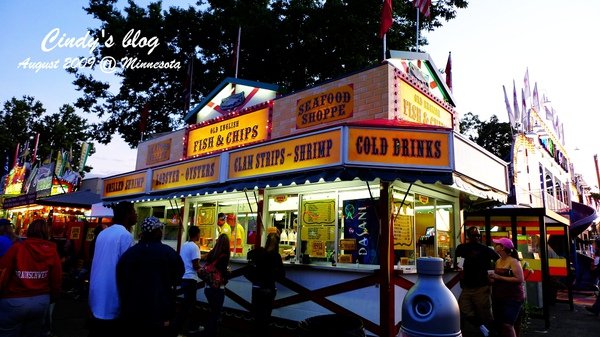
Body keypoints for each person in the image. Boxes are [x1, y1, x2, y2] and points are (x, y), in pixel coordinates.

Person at [117, 216, 184, 337]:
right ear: (158, 232)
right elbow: (178, 276)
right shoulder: (168, 253)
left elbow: (121, 279)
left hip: (133, 312)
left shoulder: (130, 254)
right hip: (159, 312)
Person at [0, 219, 63, 337]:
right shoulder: (52, 251)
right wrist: (53, 298)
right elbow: (56, 279)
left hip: (15, 300)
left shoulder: (17, 248)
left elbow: (3, 272)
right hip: (41, 301)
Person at [88, 201, 136, 337]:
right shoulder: (125, 236)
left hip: (97, 293)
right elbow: (127, 270)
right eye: (134, 212)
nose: (136, 215)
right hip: (112, 296)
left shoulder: (103, 234)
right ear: (127, 215)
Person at [454, 226, 499, 337]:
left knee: (484, 313)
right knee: (465, 309)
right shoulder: (464, 248)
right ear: (469, 236)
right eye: (475, 235)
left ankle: (490, 332)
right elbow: (459, 265)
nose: (477, 237)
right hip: (470, 286)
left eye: (478, 235)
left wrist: (492, 274)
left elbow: (459, 265)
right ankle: (485, 330)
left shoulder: (484, 249)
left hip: (481, 286)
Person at [246, 232, 285, 337]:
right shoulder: (276, 256)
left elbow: (248, 257)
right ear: (277, 244)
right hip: (268, 288)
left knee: (256, 315)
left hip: (257, 287)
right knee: (266, 316)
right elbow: (282, 275)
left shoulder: (259, 252)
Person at [489, 237, 525, 337]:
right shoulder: (498, 261)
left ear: (503, 248)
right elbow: (497, 279)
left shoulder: (513, 261)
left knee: (507, 324)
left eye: (497, 244)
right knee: (500, 324)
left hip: (513, 297)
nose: (495, 246)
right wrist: (492, 279)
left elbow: (519, 279)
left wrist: (498, 277)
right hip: (499, 296)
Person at [177, 225, 204, 336]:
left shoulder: (185, 245)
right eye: (199, 233)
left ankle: (189, 326)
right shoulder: (194, 247)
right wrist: (203, 271)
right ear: (197, 234)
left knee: (188, 304)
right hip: (190, 278)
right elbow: (195, 265)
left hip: (184, 277)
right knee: (189, 305)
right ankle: (184, 328)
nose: (199, 235)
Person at [203, 233, 231, 337]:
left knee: (213, 312)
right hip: (218, 288)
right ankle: (210, 332)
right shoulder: (224, 256)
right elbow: (223, 274)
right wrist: (228, 272)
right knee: (216, 313)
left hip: (208, 287)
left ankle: (208, 331)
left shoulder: (211, 253)